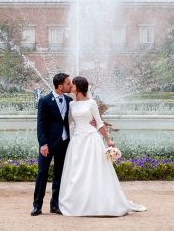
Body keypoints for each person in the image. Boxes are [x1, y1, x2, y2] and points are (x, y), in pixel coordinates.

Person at [58, 76, 146, 217]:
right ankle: (78, 202)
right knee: (77, 172)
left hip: (91, 140)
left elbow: (99, 123)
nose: (70, 87)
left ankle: (98, 203)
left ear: (78, 87)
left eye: (72, 84)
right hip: (77, 141)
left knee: (94, 171)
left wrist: (108, 140)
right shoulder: (72, 104)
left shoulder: (91, 103)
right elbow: (67, 123)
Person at [31, 72, 72, 216]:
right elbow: (40, 124)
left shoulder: (69, 100)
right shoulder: (44, 100)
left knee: (59, 175)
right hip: (47, 144)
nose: (70, 85)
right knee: (42, 174)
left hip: (64, 142)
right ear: (60, 86)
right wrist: (43, 143)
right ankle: (37, 205)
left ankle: (55, 205)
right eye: (68, 83)